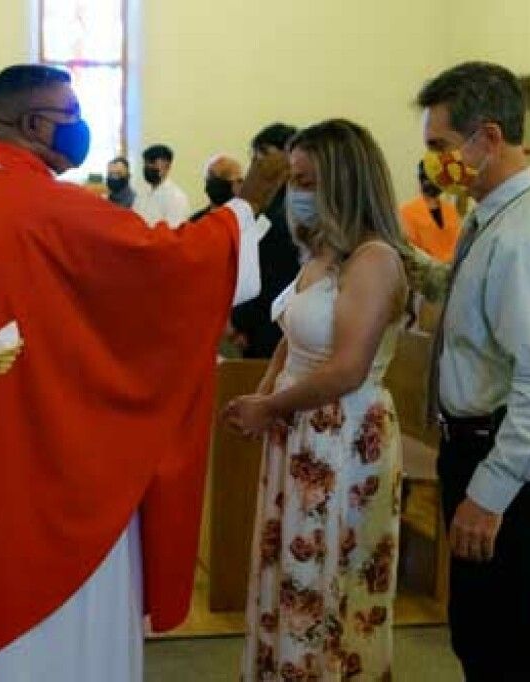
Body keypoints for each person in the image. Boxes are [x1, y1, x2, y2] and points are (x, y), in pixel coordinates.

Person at [0, 64, 287, 682]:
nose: (80, 126)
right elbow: (170, 268)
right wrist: (249, 203)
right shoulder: (54, 210)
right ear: (31, 124)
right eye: (70, 113)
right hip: (46, 481)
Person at [416, 61, 530, 681]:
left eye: (440, 145)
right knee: (480, 638)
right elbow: (476, 309)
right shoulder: (490, 216)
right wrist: (411, 265)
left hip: (509, 464)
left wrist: (489, 495)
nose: (435, 162)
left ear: (487, 139)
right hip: (477, 450)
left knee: (511, 650)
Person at [223, 119, 409, 680]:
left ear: (344, 180)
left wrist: (272, 407)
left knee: (331, 578)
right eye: (294, 181)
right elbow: (291, 334)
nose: (295, 194)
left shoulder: (374, 260)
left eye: (306, 180)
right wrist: (265, 389)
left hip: (341, 435)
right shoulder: (322, 253)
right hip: (301, 428)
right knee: (289, 572)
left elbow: (348, 368)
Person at [227, 123, 303, 359]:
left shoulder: (292, 208)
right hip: (258, 322)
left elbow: (271, 273)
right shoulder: (266, 205)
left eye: (264, 153)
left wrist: (241, 321)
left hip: (275, 324)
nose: (257, 162)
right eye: (254, 154)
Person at [399, 160, 461, 261]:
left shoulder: (451, 211)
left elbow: (459, 244)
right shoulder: (406, 212)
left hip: (455, 270)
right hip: (426, 272)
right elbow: (411, 251)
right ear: (422, 179)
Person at [133, 143, 191, 227]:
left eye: (153, 162)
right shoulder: (141, 193)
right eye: (146, 162)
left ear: (167, 166)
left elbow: (173, 234)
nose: (148, 166)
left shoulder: (177, 198)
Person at [189, 154, 244, 222]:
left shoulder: (244, 221)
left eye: (225, 176)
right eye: (211, 176)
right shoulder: (196, 221)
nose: (214, 182)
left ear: (239, 184)